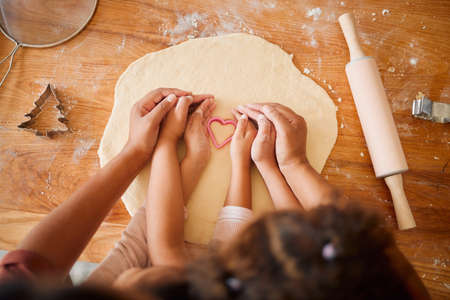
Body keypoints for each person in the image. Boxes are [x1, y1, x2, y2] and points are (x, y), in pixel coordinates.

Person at [0, 88, 429, 299]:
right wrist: (283, 165)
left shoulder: (147, 277)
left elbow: (156, 244)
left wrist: (168, 153)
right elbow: (165, 250)